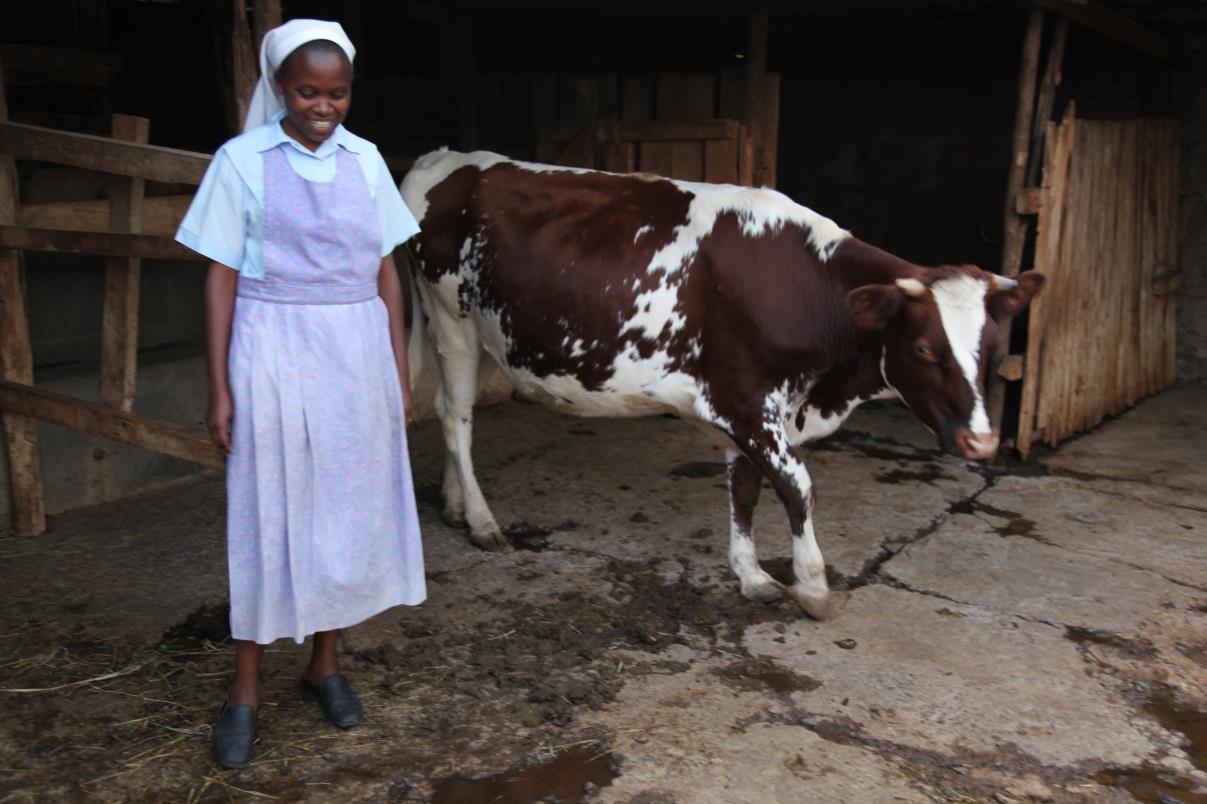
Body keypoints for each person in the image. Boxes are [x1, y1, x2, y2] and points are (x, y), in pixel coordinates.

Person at [174, 19, 426, 769]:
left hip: (355, 351)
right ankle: (245, 687)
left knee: (344, 508)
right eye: (309, 91)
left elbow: (386, 270)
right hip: (273, 345)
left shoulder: (367, 160)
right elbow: (220, 275)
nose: (324, 105)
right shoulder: (241, 160)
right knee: (267, 508)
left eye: (338, 92)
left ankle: (325, 664)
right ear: (280, 89)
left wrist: (397, 366)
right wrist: (219, 385)